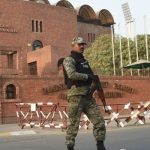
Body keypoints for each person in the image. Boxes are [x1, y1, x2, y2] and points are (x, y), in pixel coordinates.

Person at [63, 37, 109, 150]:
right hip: (76, 97)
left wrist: (94, 83)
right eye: (79, 44)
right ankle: (70, 147)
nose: (82, 46)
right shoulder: (69, 60)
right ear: (73, 45)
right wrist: (88, 76)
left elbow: (93, 78)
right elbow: (71, 75)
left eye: (83, 44)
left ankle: (100, 146)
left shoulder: (84, 61)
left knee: (99, 122)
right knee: (73, 125)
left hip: (88, 97)